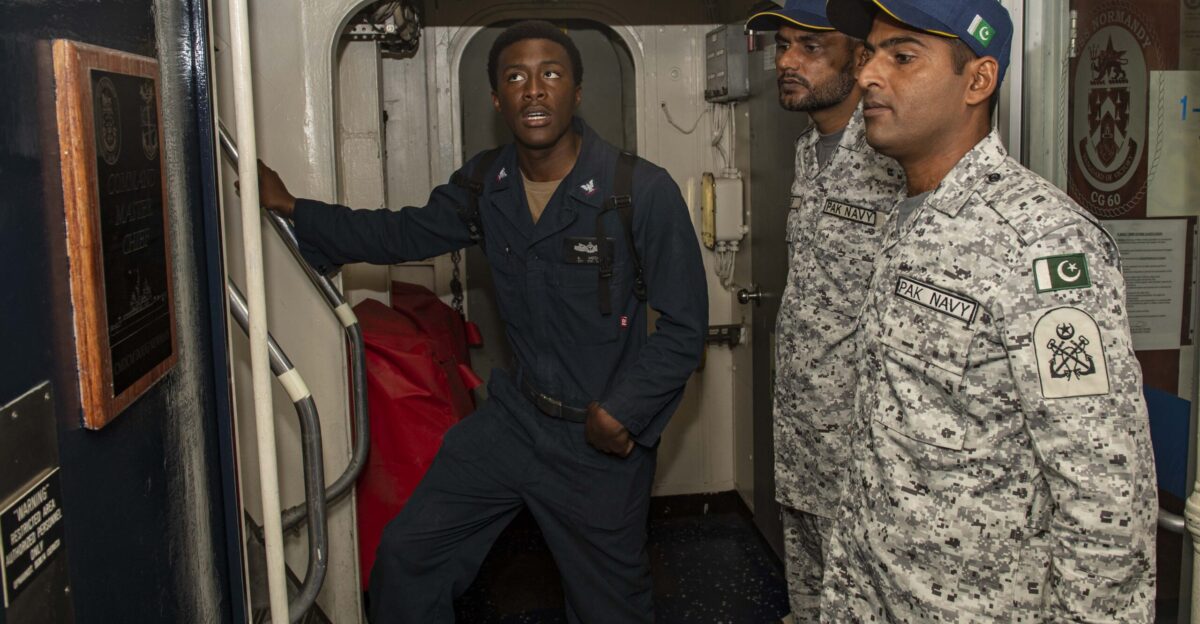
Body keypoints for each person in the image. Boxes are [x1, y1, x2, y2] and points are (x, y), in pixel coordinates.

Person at [254, 20, 707, 623]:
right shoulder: (485, 185)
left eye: (551, 74)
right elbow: (402, 231)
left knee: (610, 610)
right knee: (408, 557)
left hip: (597, 444)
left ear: (576, 91)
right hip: (514, 421)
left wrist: (624, 410)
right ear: (498, 99)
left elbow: (683, 327)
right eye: (515, 77)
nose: (534, 90)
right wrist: (294, 209)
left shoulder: (637, 191)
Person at [819, 0, 1158, 620]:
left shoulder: (1041, 243)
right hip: (870, 588)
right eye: (870, 54)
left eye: (902, 56)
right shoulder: (902, 213)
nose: (868, 74)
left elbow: (1105, 496)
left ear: (977, 80)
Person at [744, 1, 903, 621]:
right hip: (803, 435)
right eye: (784, 45)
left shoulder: (893, 154)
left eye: (810, 47)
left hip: (868, 450)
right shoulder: (811, 150)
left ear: (862, 59)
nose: (786, 61)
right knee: (810, 598)